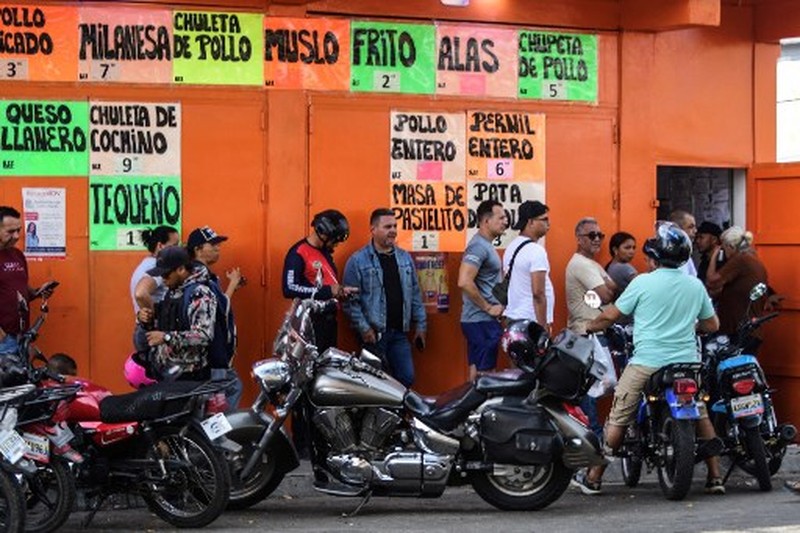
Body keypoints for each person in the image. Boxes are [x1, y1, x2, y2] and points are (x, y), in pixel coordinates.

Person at [572, 222, 725, 496]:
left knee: (619, 415)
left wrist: (589, 327)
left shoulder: (642, 282)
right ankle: (715, 477)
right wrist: (690, 326)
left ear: (656, 257)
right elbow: (712, 324)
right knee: (700, 412)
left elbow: (611, 315)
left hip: (647, 362)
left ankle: (593, 477)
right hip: (686, 364)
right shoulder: (694, 285)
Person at [343, 208, 426, 387]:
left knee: (406, 378)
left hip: (399, 334)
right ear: (373, 229)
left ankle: (397, 415)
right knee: (373, 386)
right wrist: (364, 329)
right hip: (374, 335)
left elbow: (415, 294)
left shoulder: (404, 258)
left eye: (395, 226)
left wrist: (420, 325)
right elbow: (351, 303)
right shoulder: (358, 261)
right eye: (387, 226)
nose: (393, 230)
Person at [566, 217, 617, 438]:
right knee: (590, 389)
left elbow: (613, 287)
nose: (597, 239)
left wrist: (603, 289)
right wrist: (603, 289)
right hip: (587, 334)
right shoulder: (581, 264)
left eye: (600, 235)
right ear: (578, 239)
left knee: (597, 386)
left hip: (595, 333)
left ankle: (592, 434)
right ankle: (593, 435)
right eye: (591, 235)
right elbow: (607, 294)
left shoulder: (592, 264)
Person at [135, 246, 217, 381]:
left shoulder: (200, 293)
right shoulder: (173, 290)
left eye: (166, 274)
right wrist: (146, 319)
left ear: (181, 269)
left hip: (189, 376)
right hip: (167, 372)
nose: (163, 279)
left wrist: (167, 337)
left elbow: (203, 335)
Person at [282, 209, 356, 354]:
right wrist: (328, 291)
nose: (336, 245)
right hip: (311, 323)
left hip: (329, 322)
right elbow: (288, 288)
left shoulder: (325, 252)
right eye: (335, 240)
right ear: (323, 234)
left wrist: (340, 291)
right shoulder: (298, 252)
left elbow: (327, 282)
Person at [186, 226, 244, 409]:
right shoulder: (200, 276)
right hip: (212, 355)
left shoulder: (205, 276)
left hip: (213, 355)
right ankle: (216, 436)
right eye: (213, 244)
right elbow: (219, 309)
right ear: (198, 249)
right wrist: (233, 285)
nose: (218, 248)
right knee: (225, 396)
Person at [458, 199, 508, 382]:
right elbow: (464, 281)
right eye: (501, 217)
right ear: (486, 221)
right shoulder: (478, 246)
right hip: (480, 321)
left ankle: (471, 411)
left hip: (481, 322)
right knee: (485, 377)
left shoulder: (485, 245)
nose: (505, 221)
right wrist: (488, 308)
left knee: (477, 374)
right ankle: (479, 410)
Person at [0, 206, 56, 357]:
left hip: (22, 337)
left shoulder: (17, 255)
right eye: (10, 232)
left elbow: (21, 290)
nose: (17, 236)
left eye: (19, 230)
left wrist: (38, 292)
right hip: (4, 340)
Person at [705, 226, 768, 339]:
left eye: (723, 249)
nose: (723, 253)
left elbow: (711, 281)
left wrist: (714, 255)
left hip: (738, 330)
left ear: (730, 246)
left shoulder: (740, 260)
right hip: (749, 328)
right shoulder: (753, 260)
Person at [502, 200, 554, 332]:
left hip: (514, 317)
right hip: (531, 322)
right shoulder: (536, 251)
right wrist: (542, 328)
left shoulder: (511, 247)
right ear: (530, 222)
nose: (549, 224)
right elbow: (538, 293)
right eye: (544, 219)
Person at [131, 226, 180, 314]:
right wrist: (155, 316)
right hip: (153, 326)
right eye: (174, 245)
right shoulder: (156, 266)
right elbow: (140, 293)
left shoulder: (146, 263)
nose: (178, 249)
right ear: (160, 246)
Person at [669, 209, 698, 277]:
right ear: (677, 230)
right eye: (690, 227)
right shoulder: (673, 255)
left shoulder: (685, 254)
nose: (695, 231)